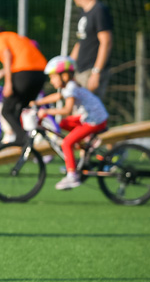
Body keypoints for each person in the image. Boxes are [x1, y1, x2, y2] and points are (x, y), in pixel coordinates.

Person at [34, 55, 109, 191]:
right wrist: (38, 102)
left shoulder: (71, 88)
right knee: (62, 124)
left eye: (53, 77)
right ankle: (85, 143)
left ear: (64, 75)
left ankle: (72, 176)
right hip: (90, 117)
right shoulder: (69, 85)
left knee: (67, 143)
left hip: (94, 121)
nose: (51, 81)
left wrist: (46, 112)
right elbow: (57, 96)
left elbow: (67, 110)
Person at [0, 25, 47, 148]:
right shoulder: (18, 38)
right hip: (40, 74)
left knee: (6, 110)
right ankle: (28, 139)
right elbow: (18, 62)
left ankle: (22, 139)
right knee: (20, 108)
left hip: (24, 74)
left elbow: (7, 55)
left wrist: (8, 83)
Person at [63, 0, 114, 98]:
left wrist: (96, 72)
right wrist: (67, 65)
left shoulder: (99, 10)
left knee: (90, 108)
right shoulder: (83, 12)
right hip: (80, 70)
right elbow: (81, 42)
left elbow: (106, 42)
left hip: (91, 71)